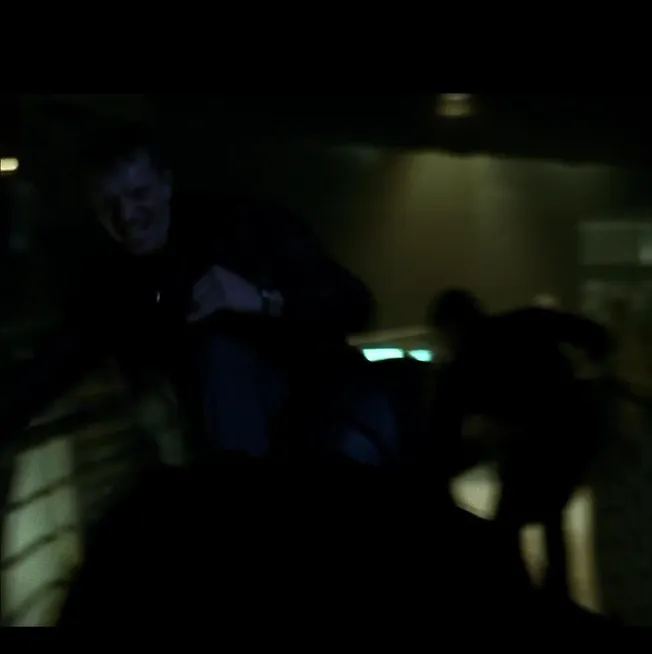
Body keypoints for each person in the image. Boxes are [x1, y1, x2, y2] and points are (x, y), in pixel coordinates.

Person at [0, 126, 373, 462]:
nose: (127, 216)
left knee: (220, 354)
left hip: (320, 434)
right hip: (205, 448)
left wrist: (262, 300)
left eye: (139, 194)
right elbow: (52, 367)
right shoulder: (110, 282)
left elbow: (355, 304)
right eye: (109, 206)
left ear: (166, 184)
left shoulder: (244, 226)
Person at [427, 288, 615, 601]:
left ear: (451, 327)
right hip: (569, 438)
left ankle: (534, 592)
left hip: (535, 448)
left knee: (509, 529)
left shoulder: (460, 368)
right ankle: (555, 590)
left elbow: (442, 433)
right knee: (546, 520)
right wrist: (592, 373)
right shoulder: (526, 323)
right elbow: (594, 334)